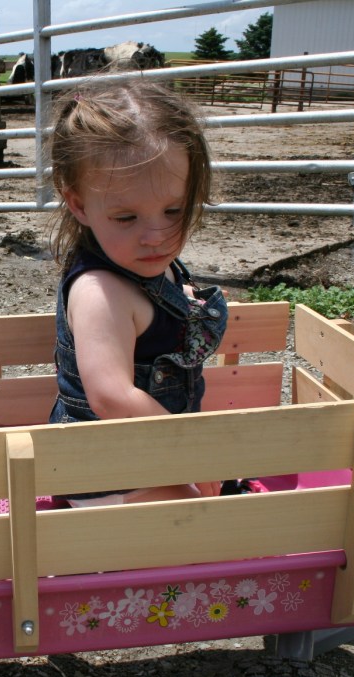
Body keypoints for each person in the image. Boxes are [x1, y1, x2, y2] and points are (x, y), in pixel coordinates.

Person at [47, 78, 229, 505]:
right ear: (78, 205)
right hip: (107, 474)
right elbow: (111, 397)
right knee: (218, 526)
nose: (156, 235)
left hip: (149, 455)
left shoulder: (151, 266)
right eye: (126, 217)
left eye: (173, 210)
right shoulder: (99, 292)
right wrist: (194, 454)